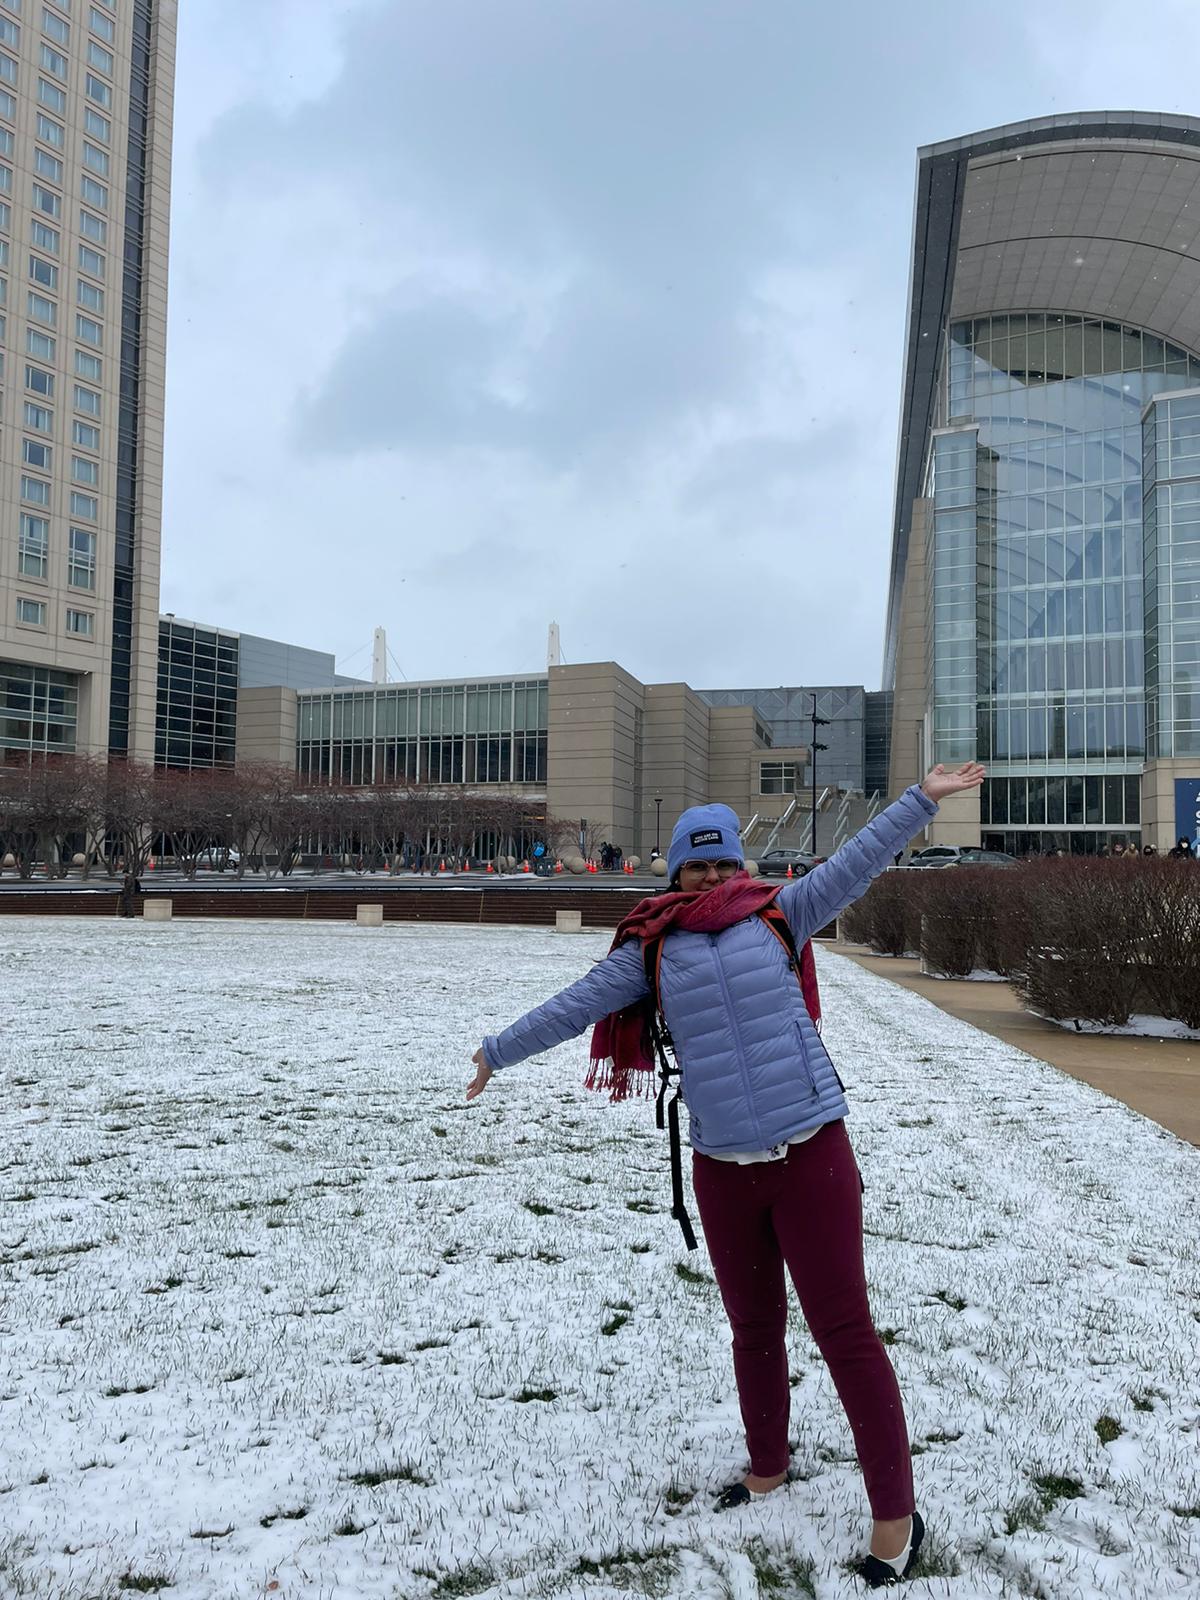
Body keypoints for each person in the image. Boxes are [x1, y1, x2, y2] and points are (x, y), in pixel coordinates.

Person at [467, 762, 986, 1587]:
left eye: (722, 863)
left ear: (742, 868)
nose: (710, 877)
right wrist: (497, 1051)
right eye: (695, 865)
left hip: (810, 1153)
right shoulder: (653, 948)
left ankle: (896, 1516)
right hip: (722, 1168)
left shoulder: (782, 914)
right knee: (753, 1330)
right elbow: (577, 1005)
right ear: (675, 872)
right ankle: (768, 1466)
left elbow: (856, 862)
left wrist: (921, 800)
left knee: (845, 1334)